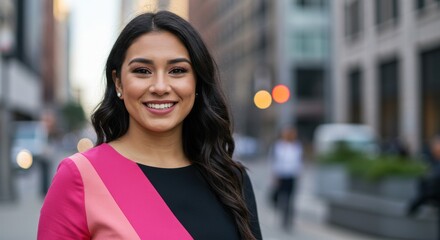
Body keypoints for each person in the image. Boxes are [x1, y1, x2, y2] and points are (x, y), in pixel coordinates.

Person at [37, 11, 262, 240]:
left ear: (196, 82)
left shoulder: (231, 179)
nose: (160, 86)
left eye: (177, 71)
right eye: (142, 71)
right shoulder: (79, 178)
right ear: (118, 82)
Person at [268, 126, 303, 231]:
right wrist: (274, 176)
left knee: (290, 199)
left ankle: (288, 219)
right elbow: (272, 161)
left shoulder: (297, 146)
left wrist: (299, 174)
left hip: (292, 175)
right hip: (281, 175)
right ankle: (281, 213)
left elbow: (299, 162)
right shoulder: (278, 146)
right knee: (279, 197)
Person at [407, 134, 440, 216]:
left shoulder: (436, 169)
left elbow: (428, 191)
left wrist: (414, 205)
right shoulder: (433, 164)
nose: (433, 148)